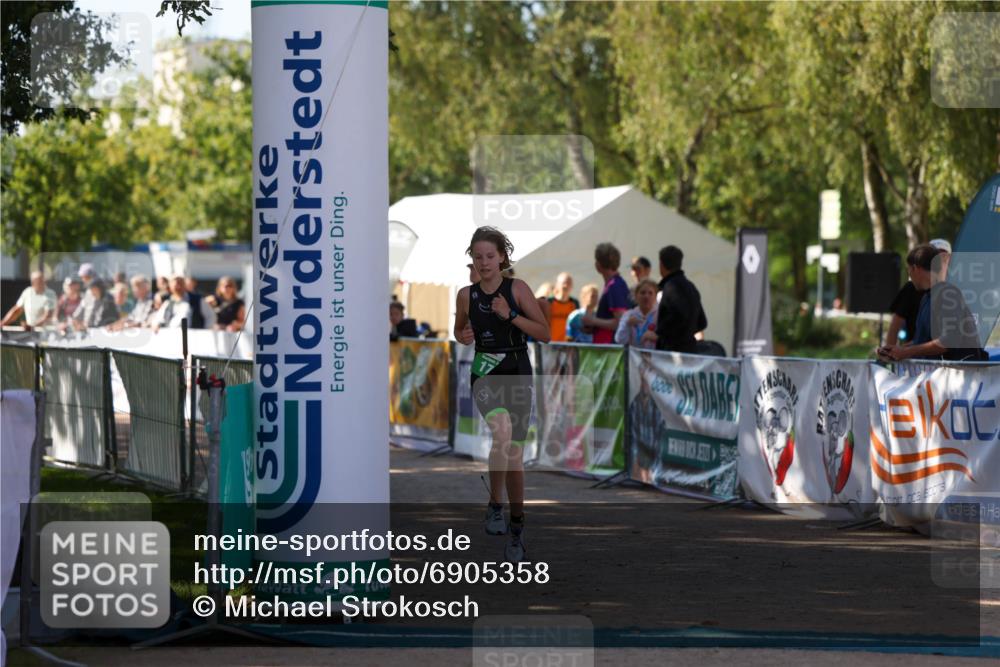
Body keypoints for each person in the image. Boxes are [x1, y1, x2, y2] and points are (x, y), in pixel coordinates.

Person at [454, 226, 549, 563]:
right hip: (485, 372)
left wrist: (510, 315)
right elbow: (460, 330)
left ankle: (517, 530)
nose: (484, 262)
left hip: (518, 372)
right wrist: (463, 334)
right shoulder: (466, 295)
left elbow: (544, 333)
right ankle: (495, 505)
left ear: (503, 257)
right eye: (478, 257)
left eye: (490, 256)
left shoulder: (518, 289)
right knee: (503, 433)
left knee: (514, 455)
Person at [878, 244, 985, 362]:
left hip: (961, 374)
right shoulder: (927, 297)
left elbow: (949, 340)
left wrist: (906, 352)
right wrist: (896, 350)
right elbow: (923, 340)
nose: (909, 275)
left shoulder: (947, 295)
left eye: (908, 269)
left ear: (915, 268)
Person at [643, 245, 708, 353]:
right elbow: (702, 322)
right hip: (690, 351)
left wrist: (660, 333)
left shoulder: (670, 287)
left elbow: (678, 316)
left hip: (671, 355)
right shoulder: (691, 287)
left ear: (661, 264)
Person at [583, 243, 631, 344]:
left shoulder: (614, 286)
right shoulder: (613, 284)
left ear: (598, 265)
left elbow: (621, 322)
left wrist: (592, 321)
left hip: (610, 349)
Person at [885, 246, 928, 346]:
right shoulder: (910, 289)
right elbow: (895, 324)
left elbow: (942, 342)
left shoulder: (948, 293)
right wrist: (890, 352)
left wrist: (906, 351)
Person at [615, 279, 659, 348]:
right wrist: (627, 325)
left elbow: (668, 338)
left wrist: (656, 337)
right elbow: (619, 340)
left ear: (655, 296)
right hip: (634, 357)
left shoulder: (660, 314)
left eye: (650, 293)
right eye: (643, 293)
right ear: (636, 296)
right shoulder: (629, 315)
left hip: (654, 356)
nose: (646, 296)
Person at [547, 273, 578, 343]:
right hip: (550, 343)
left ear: (572, 286)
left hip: (567, 345)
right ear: (557, 285)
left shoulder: (574, 303)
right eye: (564, 283)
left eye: (569, 283)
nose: (566, 286)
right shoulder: (548, 302)